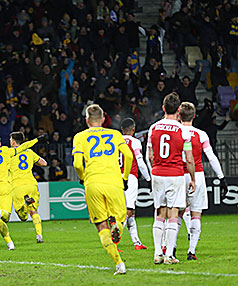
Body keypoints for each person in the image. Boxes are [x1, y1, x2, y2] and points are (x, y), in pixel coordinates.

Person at [72, 104, 133, 275]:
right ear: (104, 119)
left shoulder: (79, 137)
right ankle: (117, 228)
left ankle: (119, 263)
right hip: (114, 181)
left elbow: (77, 163)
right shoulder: (115, 134)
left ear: (86, 120)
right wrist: (125, 177)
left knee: (101, 226)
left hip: (93, 183)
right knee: (120, 219)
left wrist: (83, 178)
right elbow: (128, 155)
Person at [147, 92, 195, 265]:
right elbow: (189, 158)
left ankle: (157, 253)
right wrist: (192, 178)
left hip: (158, 173)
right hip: (175, 174)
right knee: (173, 213)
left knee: (159, 212)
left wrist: (155, 168)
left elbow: (150, 155)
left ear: (163, 108)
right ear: (179, 110)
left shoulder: (154, 127)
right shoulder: (183, 130)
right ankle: (169, 255)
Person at [178, 102, 228, 260]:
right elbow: (211, 158)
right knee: (196, 214)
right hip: (197, 175)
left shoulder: (176, 133)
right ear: (194, 116)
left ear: (179, 116)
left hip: (178, 175)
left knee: (175, 214)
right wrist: (221, 178)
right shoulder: (201, 134)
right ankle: (191, 251)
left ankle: (169, 249)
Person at [9, 131, 48, 243]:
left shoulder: (9, 153)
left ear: (14, 142)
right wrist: (33, 162)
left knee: (23, 216)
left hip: (17, 186)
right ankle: (39, 235)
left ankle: (25, 205)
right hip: (31, 184)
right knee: (34, 211)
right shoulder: (29, 152)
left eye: (10, 139)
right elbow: (44, 163)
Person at [120, 118, 151, 250]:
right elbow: (139, 161)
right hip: (130, 177)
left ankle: (136, 242)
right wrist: (148, 178)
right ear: (133, 129)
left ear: (122, 129)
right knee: (128, 210)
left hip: (115, 177)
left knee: (130, 211)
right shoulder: (135, 142)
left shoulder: (115, 140)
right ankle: (114, 241)